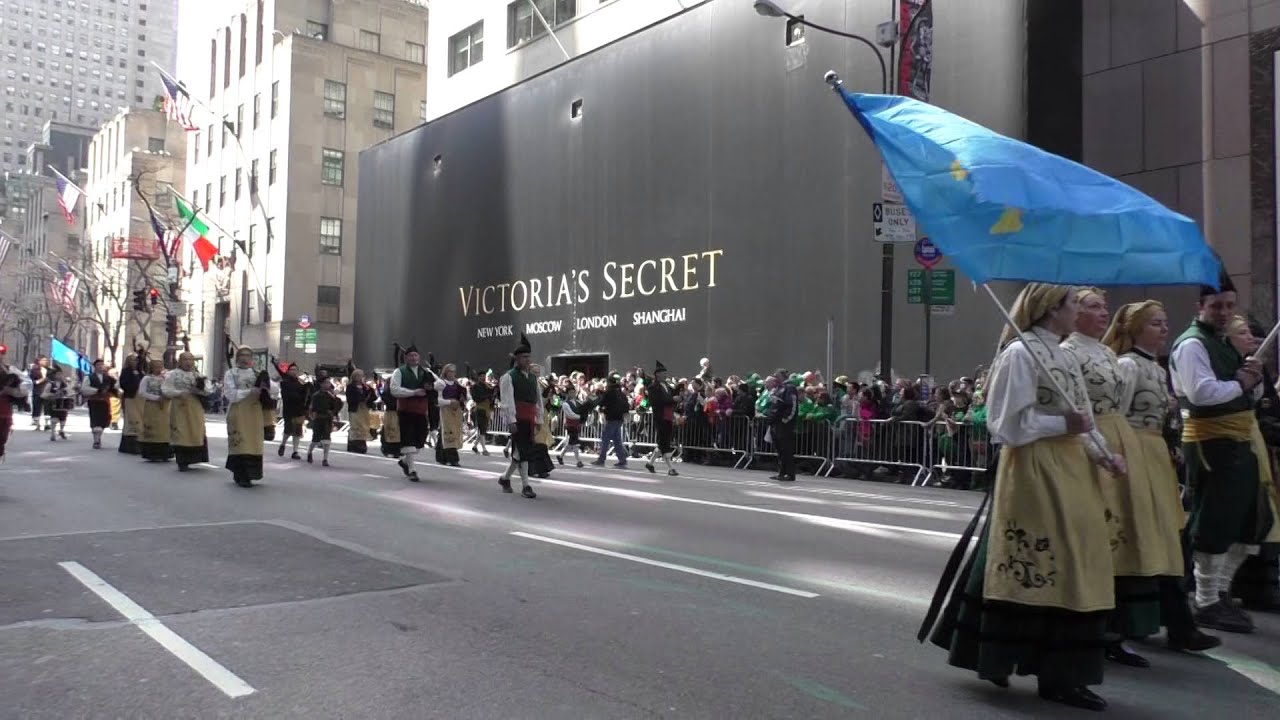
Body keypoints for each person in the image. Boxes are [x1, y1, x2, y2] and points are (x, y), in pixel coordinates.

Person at [930, 283, 1118, 712]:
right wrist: (1061, 426)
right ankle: (1048, 672)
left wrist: (1104, 454)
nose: (1076, 312)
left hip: (1072, 471)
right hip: (1034, 471)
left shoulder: (1066, 355)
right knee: (1042, 565)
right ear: (1052, 309)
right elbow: (1005, 426)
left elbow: (1083, 418)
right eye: (1073, 304)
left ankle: (1060, 671)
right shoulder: (1020, 354)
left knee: (1076, 566)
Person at [1064, 288, 1184, 668]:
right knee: (1103, 539)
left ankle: (1117, 629)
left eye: (1104, 307)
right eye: (1092, 306)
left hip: (1121, 443)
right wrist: (1096, 448)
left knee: (1122, 540)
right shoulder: (1070, 353)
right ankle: (1095, 629)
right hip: (1095, 441)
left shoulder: (1105, 354)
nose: (1103, 312)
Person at [1103, 300, 1221, 653]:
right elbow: (1116, 417)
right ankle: (1129, 626)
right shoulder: (1128, 365)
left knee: (1168, 540)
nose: (1164, 329)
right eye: (1156, 323)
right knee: (1140, 540)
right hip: (1135, 455)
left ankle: (1175, 623)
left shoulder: (1155, 366)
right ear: (1136, 328)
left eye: (1165, 322)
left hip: (1154, 456)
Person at [1169, 275, 1275, 634]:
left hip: (1239, 442)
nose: (1224, 312)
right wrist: (1241, 383)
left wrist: (1253, 376)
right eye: (1216, 306)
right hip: (1211, 444)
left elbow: (1247, 394)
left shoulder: (1223, 343)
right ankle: (1206, 599)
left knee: (1251, 520)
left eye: (1230, 306)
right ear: (1201, 307)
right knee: (1215, 521)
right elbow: (1202, 393)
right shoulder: (1192, 345)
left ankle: (1221, 590)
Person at [1222, 318, 1280, 614]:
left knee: (1264, 516)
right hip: (1235, 443)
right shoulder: (1227, 368)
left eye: (1254, 335)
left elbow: (1267, 403)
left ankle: (1262, 587)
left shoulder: (1258, 370)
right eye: (1244, 334)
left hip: (1257, 442)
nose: (1252, 340)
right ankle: (1222, 589)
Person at [223, 347, 279, 487]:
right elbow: (230, 394)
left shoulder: (256, 372)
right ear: (237, 357)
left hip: (255, 413)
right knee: (241, 442)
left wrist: (265, 383)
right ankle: (241, 474)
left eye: (248, 355)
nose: (245, 358)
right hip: (238, 411)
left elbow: (274, 389)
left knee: (254, 443)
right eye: (242, 355)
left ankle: (251, 473)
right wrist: (249, 391)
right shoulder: (231, 373)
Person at [498, 334, 539, 498]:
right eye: (524, 357)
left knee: (520, 452)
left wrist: (539, 419)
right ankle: (526, 486)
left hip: (529, 419)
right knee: (523, 452)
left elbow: (537, 401)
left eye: (529, 357)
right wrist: (511, 420)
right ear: (517, 359)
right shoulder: (508, 377)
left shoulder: (533, 378)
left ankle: (505, 478)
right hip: (518, 418)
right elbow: (506, 401)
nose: (528, 360)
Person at [390, 345, 436, 482]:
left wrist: (431, 387)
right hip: (405, 410)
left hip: (421, 411)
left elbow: (440, 384)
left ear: (419, 357)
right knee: (408, 439)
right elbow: (394, 390)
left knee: (420, 440)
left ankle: (405, 461)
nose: (414, 358)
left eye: (416, 355)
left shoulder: (426, 371)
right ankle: (412, 470)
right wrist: (413, 392)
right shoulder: (399, 372)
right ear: (406, 357)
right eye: (411, 355)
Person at [162, 353, 210, 471]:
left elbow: (209, 389)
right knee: (181, 431)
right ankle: (182, 460)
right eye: (185, 359)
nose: (188, 362)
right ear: (180, 361)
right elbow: (165, 389)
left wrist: (199, 391)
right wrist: (178, 393)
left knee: (195, 431)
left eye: (190, 360)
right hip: (179, 407)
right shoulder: (173, 375)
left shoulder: (199, 375)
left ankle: (195, 457)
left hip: (195, 407)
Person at [644, 361, 679, 476]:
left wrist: (676, 400)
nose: (665, 375)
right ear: (657, 374)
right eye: (663, 373)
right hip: (660, 416)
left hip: (668, 415)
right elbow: (655, 402)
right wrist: (672, 400)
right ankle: (671, 467)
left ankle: (650, 463)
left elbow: (671, 400)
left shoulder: (668, 386)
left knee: (663, 441)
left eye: (665, 373)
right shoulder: (652, 387)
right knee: (664, 442)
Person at [136, 359, 172, 461]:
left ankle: (165, 453)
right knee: (153, 427)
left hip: (165, 407)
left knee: (164, 429)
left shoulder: (165, 378)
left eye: (160, 366)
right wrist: (156, 398)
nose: (158, 369)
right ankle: (152, 453)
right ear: (151, 367)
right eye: (156, 367)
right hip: (152, 406)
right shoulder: (147, 379)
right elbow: (142, 392)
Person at [769, 368, 799, 482]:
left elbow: (792, 406)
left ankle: (790, 474)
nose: (775, 378)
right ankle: (782, 472)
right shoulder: (780, 388)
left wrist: (786, 419)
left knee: (787, 450)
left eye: (776, 376)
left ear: (782, 376)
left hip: (785, 425)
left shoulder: (790, 388)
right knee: (780, 449)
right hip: (777, 423)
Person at [78, 358, 117, 449]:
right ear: (95, 366)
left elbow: (114, 388)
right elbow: (84, 389)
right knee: (95, 421)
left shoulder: (108, 378)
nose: (100, 366)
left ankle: (98, 438)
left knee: (103, 421)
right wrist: (97, 390)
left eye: (102, 364)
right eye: (98, 365)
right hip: (94, 401)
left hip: (105, 402)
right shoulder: (89, 377)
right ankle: (96, 440)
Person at [0, 351, 32, 458]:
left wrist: (10, 390)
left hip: (3, 412)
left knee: (2, 439)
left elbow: (26, 385)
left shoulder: (10, 370)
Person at [306, 377, 343, 466]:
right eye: (325, 383)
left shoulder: (331, 395)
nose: (328, 384)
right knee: (315, 439)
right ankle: (309, 452)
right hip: (319, 418)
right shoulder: (316, 395)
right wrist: (312, 416)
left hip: (327, 419)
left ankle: (325, 459)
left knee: (327, 439)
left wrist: (334, 413)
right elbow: (313, 407)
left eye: (328, 383)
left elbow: (338, 404)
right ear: (321, 384)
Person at [434, 363, 465, 467]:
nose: (452, 374)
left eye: (454, 372)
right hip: (445, 410)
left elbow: (465, 396)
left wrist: (462, 399)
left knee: (450, 432)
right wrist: (449, 402)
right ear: (446, 372)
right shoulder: (441, 383)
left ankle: (441, 456)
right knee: (449, 432)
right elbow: (438, 400)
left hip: (456, 410)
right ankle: (453, 458)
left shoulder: (457, 384)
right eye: (450, 371)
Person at [276, 362, 308, 460]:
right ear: (288, 371)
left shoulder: (300, 382)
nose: (293, 372)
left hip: (299, 409)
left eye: (295, 370)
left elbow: (305, 394)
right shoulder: (285, 382)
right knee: (288, 430)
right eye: (291, 370)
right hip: (289, 409)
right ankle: (283, 444)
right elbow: (286, 395)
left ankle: (295, 451)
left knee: (298, 431)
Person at [558, 388, 596, 468]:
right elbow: (570, 414)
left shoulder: (578, 402)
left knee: (571, 442)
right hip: (570, 425)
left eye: (574, 392)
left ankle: (560, 456)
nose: (573, 394)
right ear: (567, 394)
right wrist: (580, 417)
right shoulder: (565, 404)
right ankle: (578, 461)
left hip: (577, 424)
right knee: (575, 442)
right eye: (571, 392)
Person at [118, 351, 144, 454]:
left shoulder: (140, 372)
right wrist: (134, 386)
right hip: (131, 398)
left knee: (140, 420)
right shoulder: (126, 371)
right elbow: (124, 384)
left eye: (136, 360)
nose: (135, 362)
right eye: (133, 360)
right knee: (132, 420)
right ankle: (130, 446)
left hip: (140, 400)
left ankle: (140, 444)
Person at [345, 369, 373, 454]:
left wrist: (369, 390)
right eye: (358, 375)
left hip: (364, 408)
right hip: (355, 408)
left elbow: (373, 396)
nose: (360, 377)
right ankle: (354, 444)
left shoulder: (365, 387)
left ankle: (362, 443)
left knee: (364, 425)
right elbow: (350, 398)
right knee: (356, 425)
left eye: (361, 375)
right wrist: (359, 398)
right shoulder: (350, 386)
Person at [469, 369, 495, 456]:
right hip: (480, 409)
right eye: (481, 376)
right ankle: (484, 449)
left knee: (483, 429)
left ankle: (475, 446)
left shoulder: (488, 386)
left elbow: (493, 394)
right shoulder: (475, 387)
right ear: (478, 377)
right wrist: (487, 396)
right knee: (482, 429)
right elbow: (476, 398)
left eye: (484, 376)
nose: (483, 378)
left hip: (487, 409)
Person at [379, 372, 402, 458]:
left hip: (399, 413)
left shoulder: (399, 390)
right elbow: (387, 400)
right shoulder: (387, 391)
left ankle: (397, 450)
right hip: (391, 412)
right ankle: (388, 449)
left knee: (399, 432)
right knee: (390, 431)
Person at [29, 355, 49, 430]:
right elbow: (32, 380)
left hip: (47, 392)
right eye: (43, 360)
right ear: (39, 361)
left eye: (46, 360)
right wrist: (40, 381)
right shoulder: (34, 370)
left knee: (47, 408)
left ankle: (47, 424)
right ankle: (37, 424)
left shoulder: (50, 370)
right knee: (37, 407)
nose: (45, 362)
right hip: (37, 391)